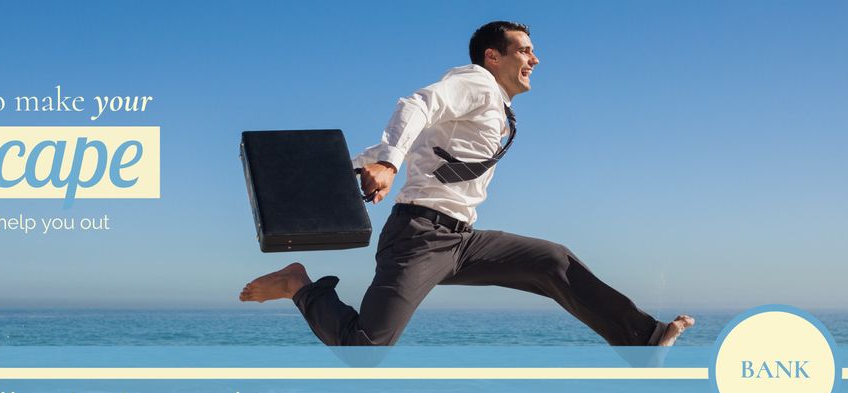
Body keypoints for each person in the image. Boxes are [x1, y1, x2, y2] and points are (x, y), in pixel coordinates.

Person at [239, 21, 694, 347]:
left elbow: (417, 141)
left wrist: (368, 165)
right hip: (419, 237)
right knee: (366, 347)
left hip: (462, 240)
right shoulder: (476, 82)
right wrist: (391, 167)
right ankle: (298, 285)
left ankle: (644, 338)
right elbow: (416, 105)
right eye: (524, 50)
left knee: (552, 261)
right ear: (492, 56)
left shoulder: (494, 106)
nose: (535, 59)